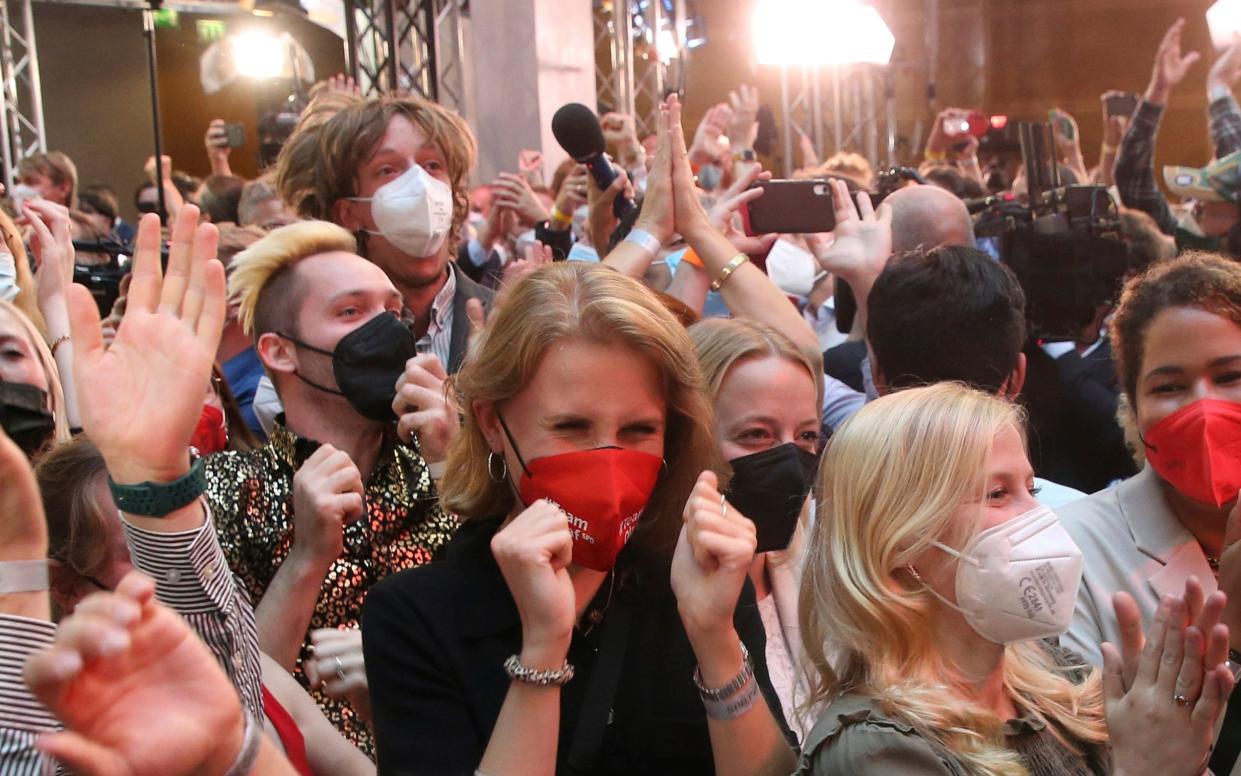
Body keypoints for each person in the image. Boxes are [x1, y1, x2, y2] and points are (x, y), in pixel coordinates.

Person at [795, 382, 1232, 775]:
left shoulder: (1061, 680)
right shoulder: (875, 750)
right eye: (998, 494)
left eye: (1032, 489)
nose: (1040, 516)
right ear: (897, 546)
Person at [212, 219, 459, 752]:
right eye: (351, 312)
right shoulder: (227, 490)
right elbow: (233, 709)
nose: (388, 330)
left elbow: (506, 625)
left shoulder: (447, 460)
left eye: (393, 312)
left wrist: (454, 467)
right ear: (280, 352)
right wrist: (306, 557)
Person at [275, 92, 493, 374]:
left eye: (432, 166)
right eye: (388, 170)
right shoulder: (318, 340)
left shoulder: (507, 319)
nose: (420, 184)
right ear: (348, 212)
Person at [690, 316, 821, 742]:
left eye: (806, 435)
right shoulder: (663, 590)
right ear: (693, 437)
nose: (788, 457)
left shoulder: (824, 556)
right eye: (756, 435)